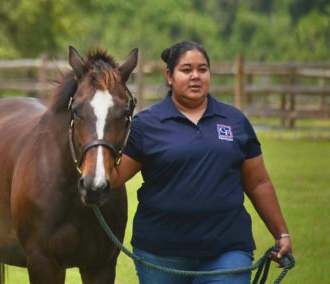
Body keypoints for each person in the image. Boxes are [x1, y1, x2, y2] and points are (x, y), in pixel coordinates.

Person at [111, 40, 292, 284]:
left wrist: (281, 233)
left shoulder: (234, 121)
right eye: (186, 70)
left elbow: (258, 182)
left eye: (202, 69)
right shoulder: (146, 125)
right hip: (159, 256)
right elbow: (114, 177)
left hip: (227, 251)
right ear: (170, 76)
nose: (196, 76)